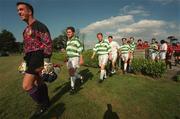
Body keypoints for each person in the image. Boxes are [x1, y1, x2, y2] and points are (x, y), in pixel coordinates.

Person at [16, 2, 52, 116]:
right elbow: (26, 48)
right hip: (30, 58)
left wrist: (46, 61)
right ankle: (46, 101)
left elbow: (48, 43)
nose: (19, 12)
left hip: (39, 56)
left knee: (26, 85)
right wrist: (25, 61)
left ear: (29, 12)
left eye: (21, 9)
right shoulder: (25, 30)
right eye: (18, 10)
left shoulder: (39, 26)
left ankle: (42, 103)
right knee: (38, 81)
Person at [65, 26, 84, 94]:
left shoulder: (76, 40)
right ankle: (80, 77)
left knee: (72, 73)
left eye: (69, 32)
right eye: (67, 32)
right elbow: (68, 51)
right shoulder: (68, 42)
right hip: (69, 59)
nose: (68, 33)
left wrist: (81, 58)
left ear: (73, 33)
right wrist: (66, 58)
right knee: (70, 73)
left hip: (75, 57)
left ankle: (72, 88)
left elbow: (80, 49)